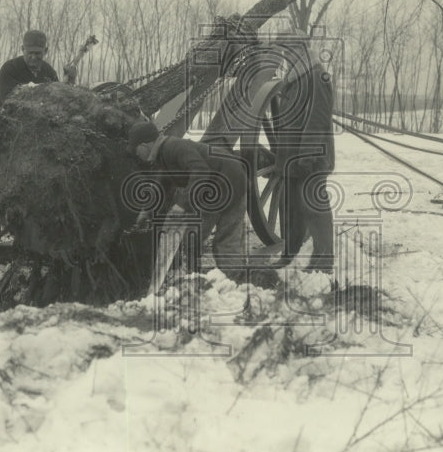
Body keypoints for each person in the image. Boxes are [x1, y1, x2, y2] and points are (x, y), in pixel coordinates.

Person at [127, 121, 249, 283]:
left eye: (136, 151)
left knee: (214, 237)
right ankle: (207, 278)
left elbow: (201, 171)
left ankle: (225, 282)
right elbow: (162, 184)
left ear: (144, 145)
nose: (137, 155)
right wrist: (146, 211)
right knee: (203, 236)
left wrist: (181, 205)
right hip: (224, 182)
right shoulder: (164, 152)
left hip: (226, 183)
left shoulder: (174, 148)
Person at [274, 32, 335, 272]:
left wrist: (307, 155)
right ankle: (290, 255)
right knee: (290, 209)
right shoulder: (294, 78)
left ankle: (323, 263)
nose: (285, 56)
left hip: (311, 160)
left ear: (300, 49)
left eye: (288, 51)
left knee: (314, 208)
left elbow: (318, 119)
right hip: (291, 159)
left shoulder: (317, 76)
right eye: (284, 52)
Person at [0, 29, 76, 106]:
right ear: (23, 49)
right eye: (30, 53)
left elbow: (58, 100)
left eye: (37, 53)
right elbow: (6, 101)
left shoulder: (49, 72)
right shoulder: (10, 69)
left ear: (45, 51)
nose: (33, 57)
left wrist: (69, 83)